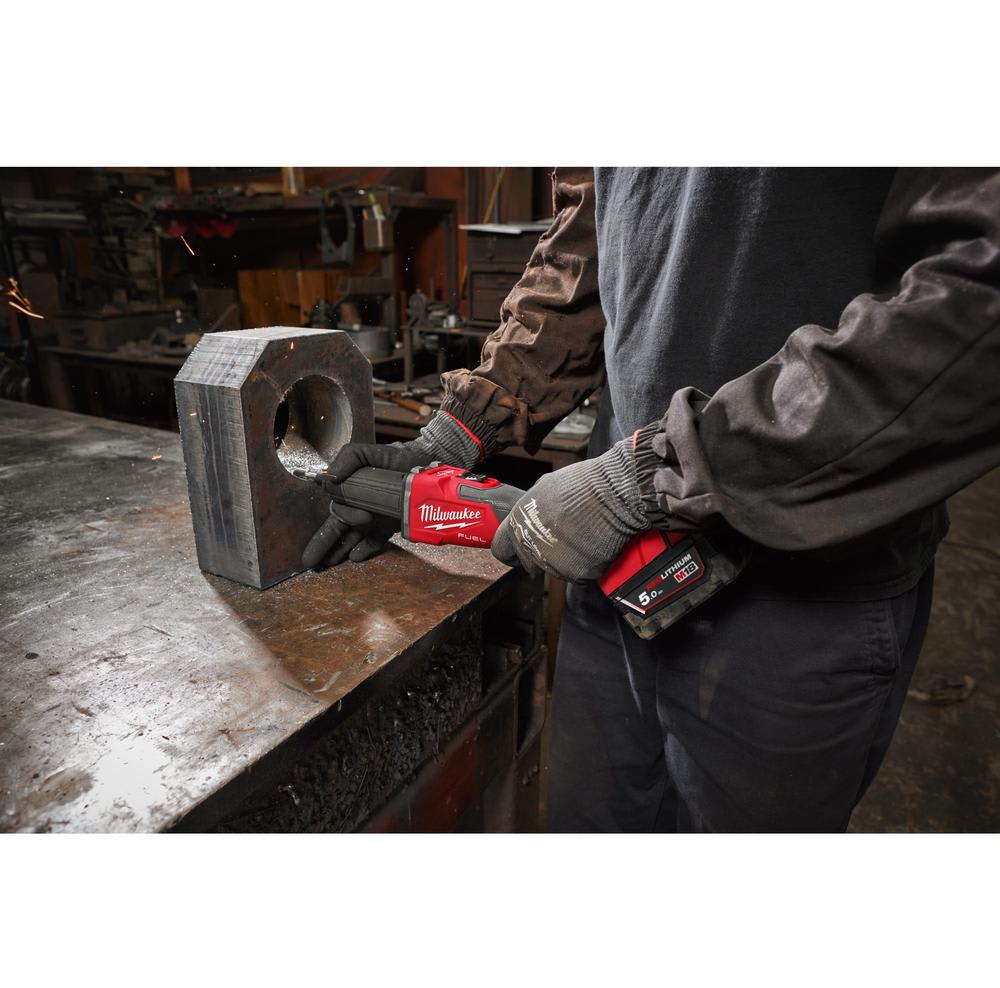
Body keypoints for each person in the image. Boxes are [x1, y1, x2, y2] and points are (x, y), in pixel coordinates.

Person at [307, 168, 1000, 832]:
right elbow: (592, 232)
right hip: (612, 565)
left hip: (796, 590)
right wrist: (461, 433)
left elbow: (976, 301)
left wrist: (656, 474)